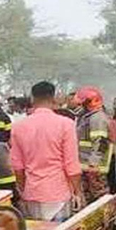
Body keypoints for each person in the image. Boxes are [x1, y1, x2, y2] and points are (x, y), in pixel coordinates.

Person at [11, 81, 84, 222]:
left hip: (32, 193)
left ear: (32, 99)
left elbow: (17, 167)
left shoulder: (18, 127)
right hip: (59, 193)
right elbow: (72, 165)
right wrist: (78, 192)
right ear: (54, 98)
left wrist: (23, 190)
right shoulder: (65, 124)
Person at [75, 86, 115, 203]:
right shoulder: (87, 116)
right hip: (87, 164)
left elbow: (100, 142)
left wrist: (94, 163)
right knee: (89, 197)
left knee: (99, 197)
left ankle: (106, 220)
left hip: (94, 166)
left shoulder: (97, 118)